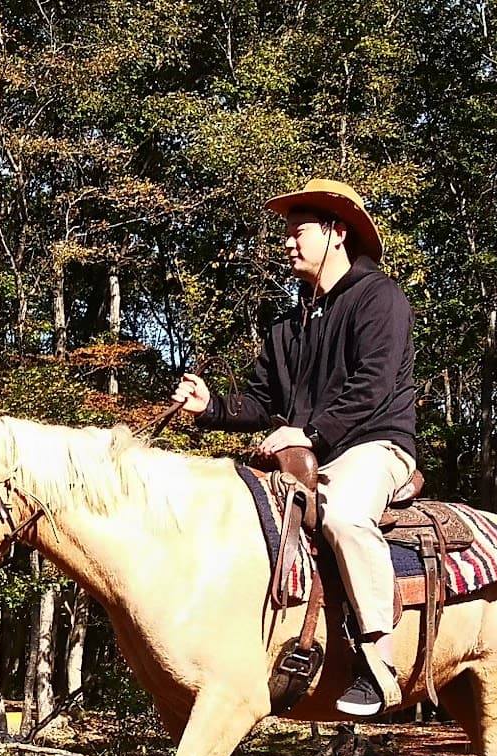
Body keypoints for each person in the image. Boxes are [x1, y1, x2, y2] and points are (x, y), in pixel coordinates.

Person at [174, 179, 417, 717]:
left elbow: (371, 387)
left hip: (374, 445)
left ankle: (378, 659)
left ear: (336, 232)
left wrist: (311, 434)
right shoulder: (290, 324)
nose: (287, 241)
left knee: (346, 517)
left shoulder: (381, 299)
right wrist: (211, 405)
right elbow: (262, 399)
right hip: (309, 452)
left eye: (298, 230)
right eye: (286, 231)